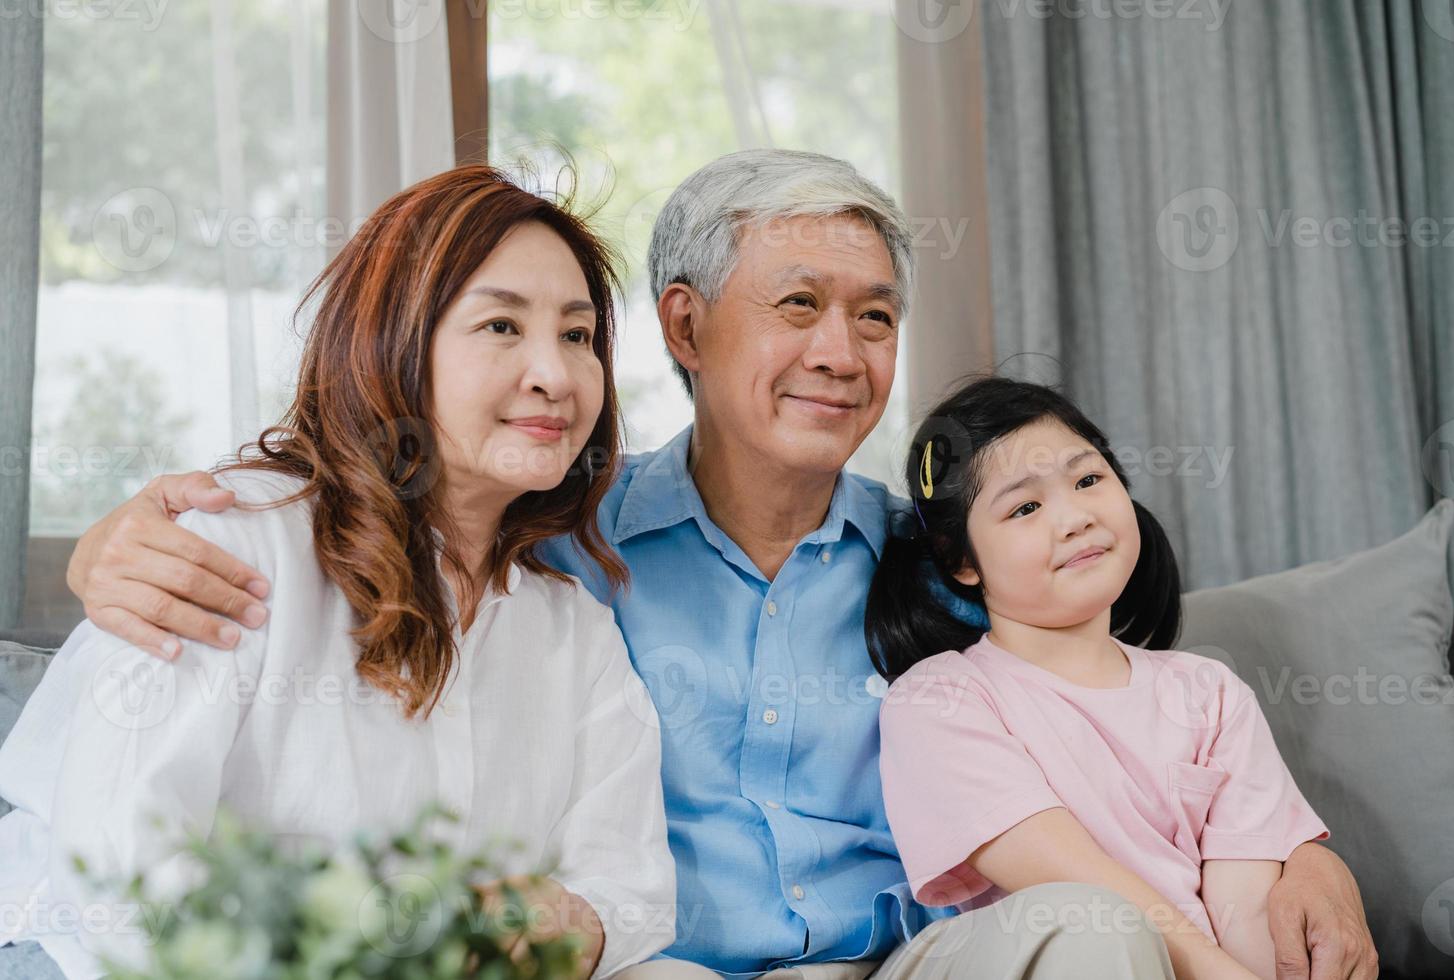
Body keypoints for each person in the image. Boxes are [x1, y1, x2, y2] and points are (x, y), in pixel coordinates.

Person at [55, 149, 1379, 979]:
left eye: (873, 318)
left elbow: (1123, 691)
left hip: (907, 966)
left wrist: (1302, 841)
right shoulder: (553, 555)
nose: (840, 351)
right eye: (797, 304)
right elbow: (367, 524)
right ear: (685, 325)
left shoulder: (940, 566)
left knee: (1095, 938)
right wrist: (119, 550)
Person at [0, 167, 675, 979]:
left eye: (576, 335)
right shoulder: (234, 545)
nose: (556, 376)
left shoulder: (571, 625)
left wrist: (576, 921)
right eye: (501, 326)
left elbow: (629, 882)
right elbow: (116, 881)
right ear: (390, 342)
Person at [867, 375, 1335, 980]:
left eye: (1088, 480)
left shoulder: (1210, 694)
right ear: (960, 560)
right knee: (1093, 920)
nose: (1075, 518)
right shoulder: (937, 701)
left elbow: (1246, 905)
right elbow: (1083, 893)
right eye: (1025, 507)